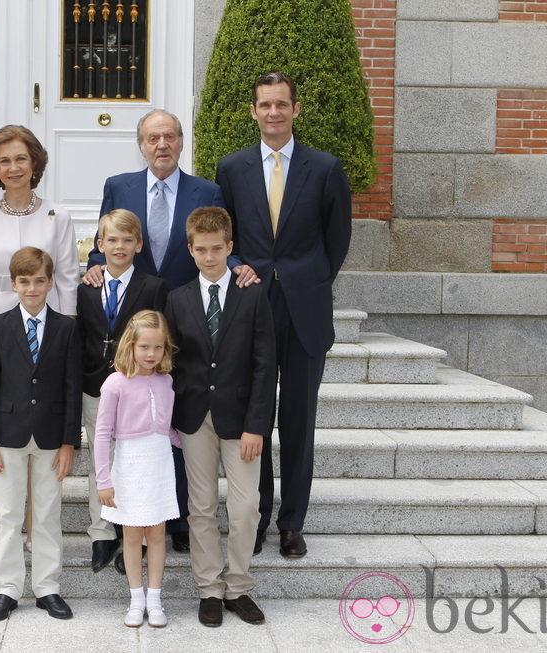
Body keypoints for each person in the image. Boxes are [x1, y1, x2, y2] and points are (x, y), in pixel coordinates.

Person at [82, 109, 258, 557]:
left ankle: (177, 518)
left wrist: (239, 271)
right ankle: (124, 520)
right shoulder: (118, 186)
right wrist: (94, 272)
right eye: (153, 137)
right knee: (137, 427)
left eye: (170, 137)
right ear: (141, 144)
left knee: (178, 420)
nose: (162, 144)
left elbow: (213, 241)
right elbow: (105, 239)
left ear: (181, 142)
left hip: (187, 318)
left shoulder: (207, 189)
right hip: (134, 322)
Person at [215, 72, 352, 559]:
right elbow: (225, 236)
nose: (273, 112)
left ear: (296, 110)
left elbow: (336, 242)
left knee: (298, 418)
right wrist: (238, 268)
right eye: (264, 105)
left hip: (304, 311)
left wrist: (307, 280)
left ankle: (292, 522)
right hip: (252, 308)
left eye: (281, 104)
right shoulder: (232, 169)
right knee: (256, 415)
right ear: (253, 112)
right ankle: (254, 518)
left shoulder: (325, 168)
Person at [0, 124, 78, 550]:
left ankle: (37, 524)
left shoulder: (58, 217)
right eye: (4, 160)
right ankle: (12, 524)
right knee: (9, 430)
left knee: (43, 422)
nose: (13, 167)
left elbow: (66, 280)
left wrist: (66, 342)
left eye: (21, 159)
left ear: (35, 164)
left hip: (48, 336)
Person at [164, 207, 276, 628]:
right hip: (194, 418)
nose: (209, 257)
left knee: (246, 506)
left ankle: (238, 586)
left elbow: (266, 364)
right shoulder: (177, 299)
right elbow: (172, 363)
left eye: (217, 249)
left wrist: (257, 425)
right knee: (202, 506)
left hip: (242, 418)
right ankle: (209, 589)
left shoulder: (253, 294)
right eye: (201, 249)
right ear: (190, 250)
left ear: (230, 248)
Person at [0, 247, 82, 623]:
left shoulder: (68, 328)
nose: (33, 288)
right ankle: (6, 589)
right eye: (25, 281)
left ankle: (47, 587)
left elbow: (72, 387)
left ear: (51, 283)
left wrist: (70, 441)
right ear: (13, 284)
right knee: (8, 514)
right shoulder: (0, 325)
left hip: (52, 437)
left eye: (40, 281)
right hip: (8, 435)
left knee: (47, 513)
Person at [78, 209, 168, 573]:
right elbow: (82, 336)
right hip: (94, 385)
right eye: (111, 240)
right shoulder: (86, 287)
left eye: (127, 240)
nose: (119, 246)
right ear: (100, 245)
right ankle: (102, 533)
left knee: (135, 461)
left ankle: (137, 533)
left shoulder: (153, 287)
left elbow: (160, 342)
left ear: (138, 245)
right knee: (100, 459)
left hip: (135, 388)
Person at [93, 310, 180, 627]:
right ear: (130, 345)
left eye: (158, 348)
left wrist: (187, 443)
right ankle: (135, 599)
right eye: (144, 347)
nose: (151, 354)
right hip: (129, 465)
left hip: (159, 463)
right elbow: (102, 434)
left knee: (157, 534)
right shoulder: (115, 383)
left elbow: (165, 426)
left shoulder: (166, 380)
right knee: (131, 536)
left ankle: (155, 599)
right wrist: (104, 479)